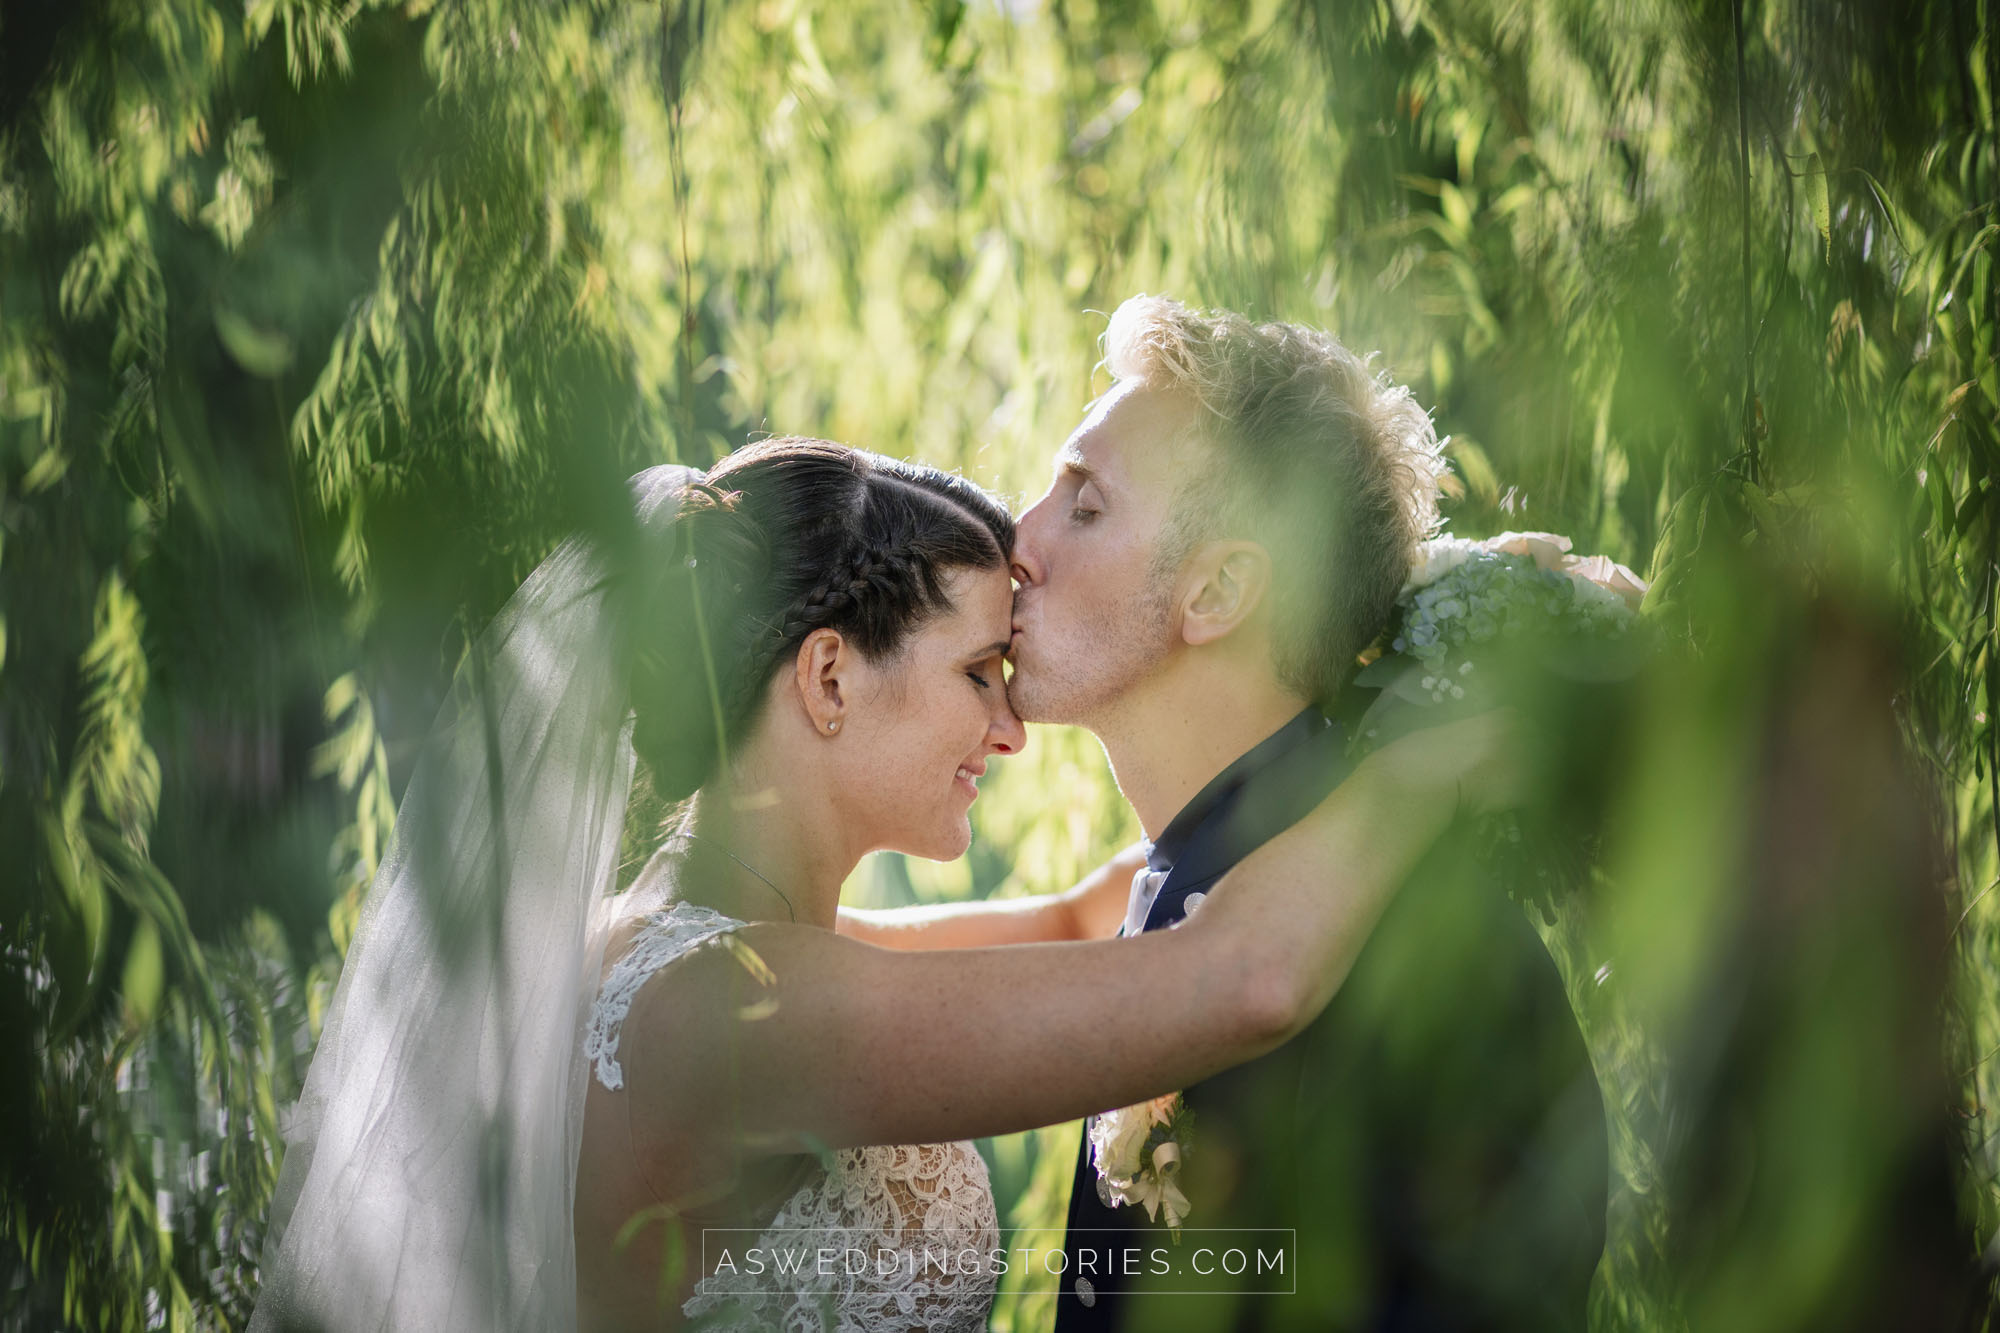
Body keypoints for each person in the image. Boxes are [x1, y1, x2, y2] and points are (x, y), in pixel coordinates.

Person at [249, 438, 1519, 1333]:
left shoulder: (725, 957)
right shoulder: (735, 1016)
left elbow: (1098, 915)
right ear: (827, 679)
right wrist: (1444, 741)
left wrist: (1364, 657)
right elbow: (1238, 977)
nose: (1012, 731)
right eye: (979, 674)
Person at [849, 297, 1609, 1330]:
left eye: (1084, 505)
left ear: (1215, 591)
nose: (1013, 541)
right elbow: (1034, 933)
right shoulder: (1190, 874)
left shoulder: (1428, 958)